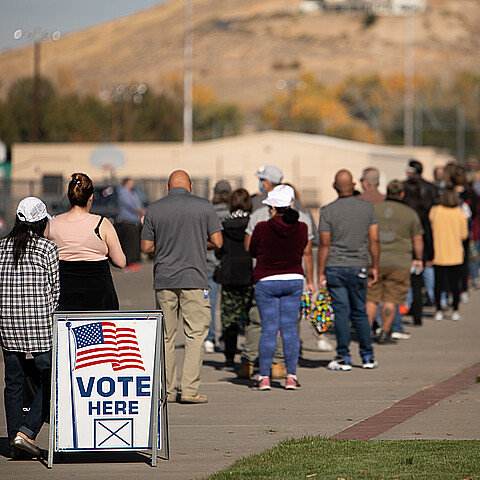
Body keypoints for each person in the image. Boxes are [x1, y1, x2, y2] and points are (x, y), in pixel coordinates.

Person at [141, 170, 223, 404]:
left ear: (168, 186)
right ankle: (189, 389)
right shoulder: (204, 206)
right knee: (195, 334)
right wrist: (197, 242)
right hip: (194, 279)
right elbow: (218, 241)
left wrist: (166, 246)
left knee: (166, 336)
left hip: (165, 280)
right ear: (192, 185)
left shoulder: (154, 209)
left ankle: (166, 389)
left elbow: (146, 247)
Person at [0, 197, 60, 459]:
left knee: (13, 383)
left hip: (8, 324)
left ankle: (16, 441)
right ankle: (27, 431)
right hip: (40, 326)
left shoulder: (1, 248)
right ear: (41, 221)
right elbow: (55, 292)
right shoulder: (48, 248)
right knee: (50, 379)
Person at [240, 179, 316, 378]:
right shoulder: (302, 226)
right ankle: (291, 376)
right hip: (293, 278)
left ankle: (263, 376)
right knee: (290, 328)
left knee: (268, 328)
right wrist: (310, 280)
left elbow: (252, 250)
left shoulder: (262, 226)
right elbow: (305, 251)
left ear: (272, 207)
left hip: (266, 280)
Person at [318, 169, 379, 370]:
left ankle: (343, 356)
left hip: (335, 266)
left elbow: (324, 244)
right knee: (360, 311)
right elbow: (374, 240)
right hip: (358, 265)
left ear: (334, 187)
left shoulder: (327, 210)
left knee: (341, 313)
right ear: (354, 185)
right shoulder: (367, 208)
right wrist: (375, 266)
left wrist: (320, 271)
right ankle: (368, 356)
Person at [46, 173, 126, 310]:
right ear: (91, 198)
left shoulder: (52, 224)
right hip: (99, 296)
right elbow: (121, 262)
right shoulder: (102, 224)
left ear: (69, 197)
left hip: (64, 294)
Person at [366, 180, 424, 344]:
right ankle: (385, 332)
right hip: (399, 262)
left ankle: (366, 333)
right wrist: (418, 258)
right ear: (402, 194)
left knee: (371, 298)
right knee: (391, 299)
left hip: (374, 260)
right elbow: (417, 239)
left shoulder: (374, 210)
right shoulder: (410, 213)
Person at [214, 188, 253, 370]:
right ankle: (251, 356)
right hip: (249, 273)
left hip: (229, 274)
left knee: (229, 317)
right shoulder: (253, 223)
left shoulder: (223, 225)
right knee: (251, 316)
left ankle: (230, 356)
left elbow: (218, 250)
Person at [429, 187, 468, 321]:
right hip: (455, 252)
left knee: (438, 284)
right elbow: (464, 235)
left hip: (439, 251)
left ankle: (438, 309)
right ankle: (455, 309)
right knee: (454, 284)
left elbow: (430, 228)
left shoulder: (435, 211)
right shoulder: (459, 213)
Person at [205, 179, 231, 354]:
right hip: (227, 263)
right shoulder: (232, 212)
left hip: (208, 262)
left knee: (210, 304)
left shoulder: (208, 211)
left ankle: (209, 338)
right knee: (227, 305)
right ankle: (226, 339)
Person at [116, 177, 146, 272]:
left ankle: (132, 262)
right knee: (129, 244)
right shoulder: (124, 193)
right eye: (131, 182)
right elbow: (132, 206)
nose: (133, 184)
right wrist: (142, 212)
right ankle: (127, 263)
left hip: (134, 221)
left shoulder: (131, 192)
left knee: (134, 244)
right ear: (126, 183)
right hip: (128, 222)